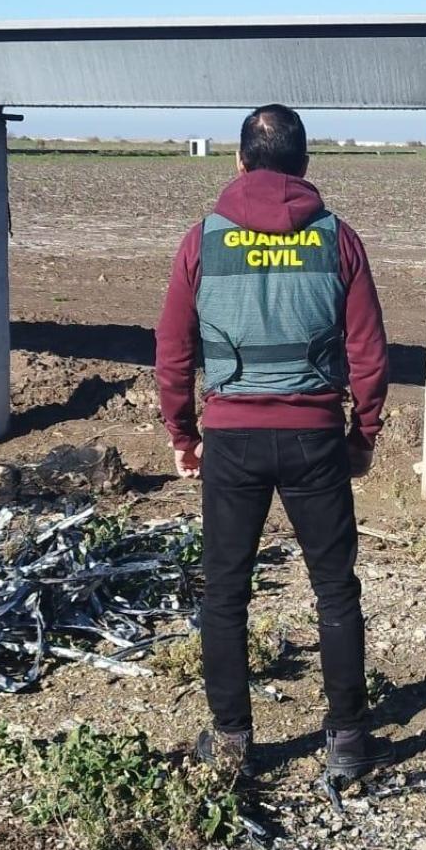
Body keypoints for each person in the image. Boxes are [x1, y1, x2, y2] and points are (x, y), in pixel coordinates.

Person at [156, 104, 392, 781]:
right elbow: (369, 352)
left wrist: (183, 432)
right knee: (334, 589)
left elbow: (172, 350)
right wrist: (363, 433)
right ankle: (347, 739)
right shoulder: (336, 239)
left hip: (231, 439)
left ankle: (232, 742)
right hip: (315, 436)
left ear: (239, 162)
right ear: (305, 164)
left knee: (226, 594)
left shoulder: (202, 239)